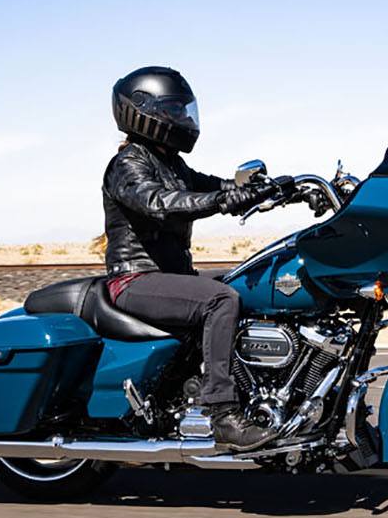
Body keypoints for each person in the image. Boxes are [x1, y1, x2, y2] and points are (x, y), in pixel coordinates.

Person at [102, 66, 292, 450]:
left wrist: (270, 189)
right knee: (221, 299)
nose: (184, 119)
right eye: (174, 110)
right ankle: (222, 413)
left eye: (184, 110)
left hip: (171, 275)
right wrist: (223, 201)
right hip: (135, 279)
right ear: (143, 112)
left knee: (253, 279)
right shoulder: (127, 164)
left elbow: (213, 185)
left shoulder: (171, 163)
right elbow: (159, 202)